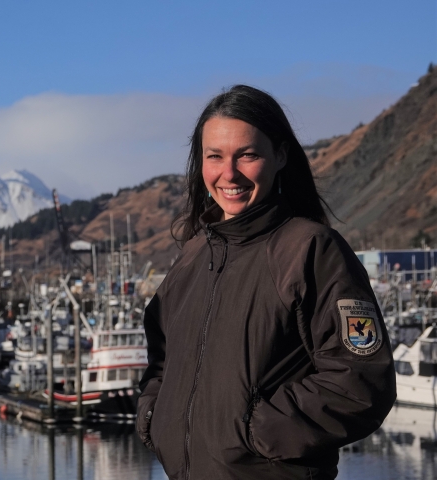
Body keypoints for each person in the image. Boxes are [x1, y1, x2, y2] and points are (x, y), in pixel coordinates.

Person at [136, 85, 396, 480]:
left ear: (280, 156)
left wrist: (253, 430)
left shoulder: (310, 249)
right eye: (215, 157)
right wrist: (155, 416)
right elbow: (160, 363)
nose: (229, 173)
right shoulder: (191, 257)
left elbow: (361, 383)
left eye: (248, 155)